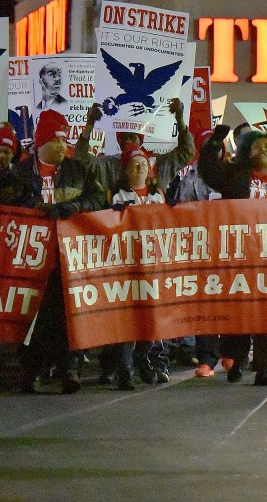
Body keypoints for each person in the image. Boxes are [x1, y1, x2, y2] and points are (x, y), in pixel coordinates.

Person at [0, 109, 105, 394]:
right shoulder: (20, 172)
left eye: (64, 140)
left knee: (68, 315)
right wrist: (38, 208)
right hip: (30, 261)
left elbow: (97, 198)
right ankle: (31, 371)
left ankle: (70, 369)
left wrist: (75, 207)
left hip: (67, 259)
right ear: (41, 142)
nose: (62, 145)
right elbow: (7, 202)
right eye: (56, 140)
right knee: (33, 318)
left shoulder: (77, 170)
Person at [198, 124, 267, 387]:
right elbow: (209, 172)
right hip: (240, 255)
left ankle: (264, 368)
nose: (262, 148)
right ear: (246, 152)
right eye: (256, 145)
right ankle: (236, 361)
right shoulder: (236, 175)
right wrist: (214, 144)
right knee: (239, 311)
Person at [104, 149, 171, 389]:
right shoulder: (116, 195)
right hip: (126, 264)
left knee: (151, 318)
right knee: (127, 319)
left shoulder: (159, 195)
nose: (139, 168)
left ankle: (145, 359)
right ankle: (125, 371)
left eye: (143, 163)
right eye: (134, 164)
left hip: (153, 266)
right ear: (126, 170)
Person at [175, 130, 224, 378]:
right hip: (202, 249)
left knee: (234, 300)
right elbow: (181, 213)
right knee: (205, 304)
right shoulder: (190, 179)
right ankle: (207, 358)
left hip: (232, 249)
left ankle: (231, 353)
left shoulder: (234, 173)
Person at [77, 98, 193, 199]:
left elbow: (186, 152)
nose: (127, 141)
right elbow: (81, 161)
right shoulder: (109, 165)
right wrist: (89, 126)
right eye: (122, 137)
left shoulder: (159, 164)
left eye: (132, 137)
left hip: (154, 222)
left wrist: (180, 121)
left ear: (141, 140)